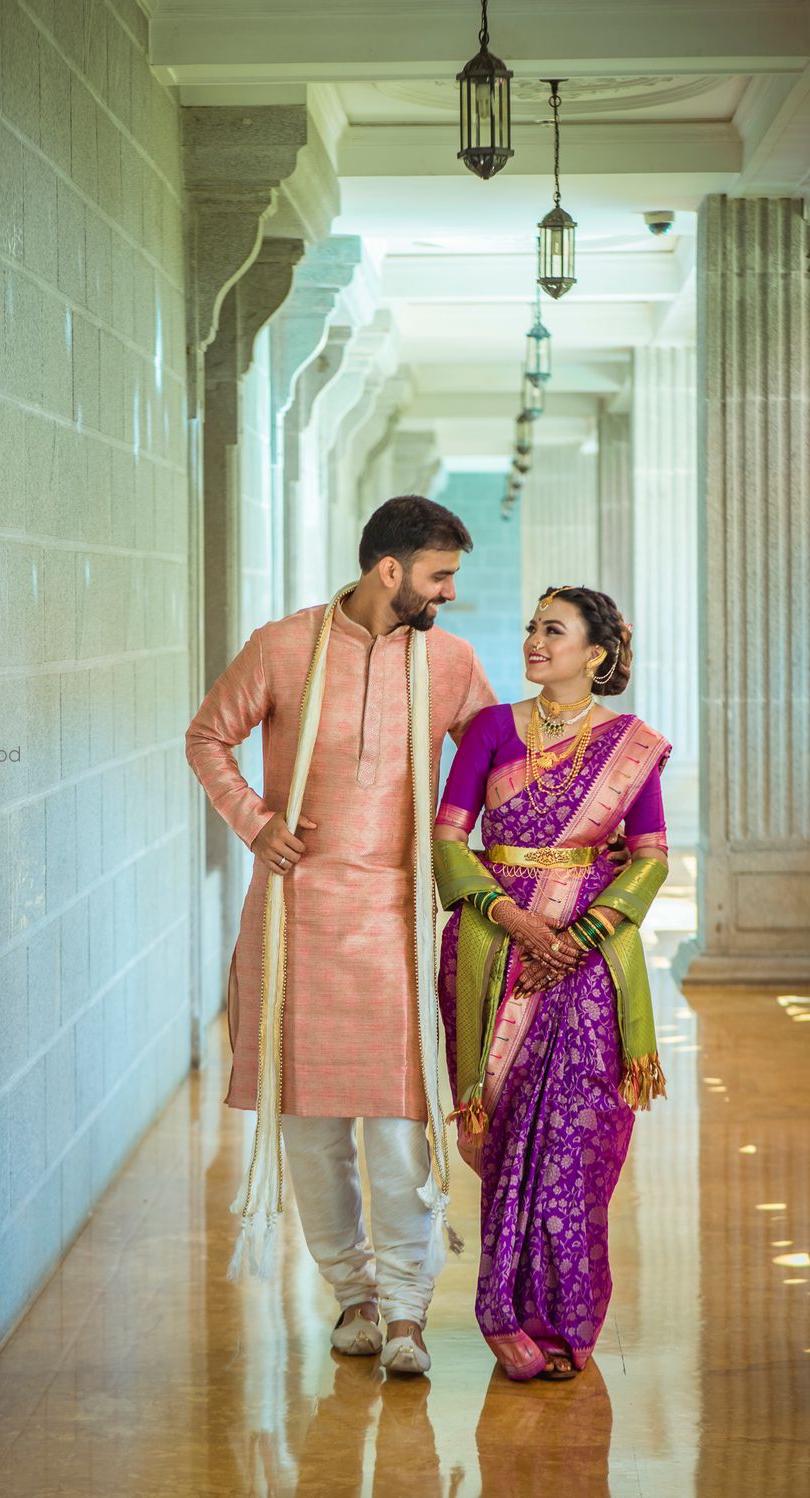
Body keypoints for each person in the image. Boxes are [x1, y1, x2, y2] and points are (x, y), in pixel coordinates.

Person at [185, 495, 497, 1376]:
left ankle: (406, 1310)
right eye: (439, 577)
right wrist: (254, 822)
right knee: (313, 1132)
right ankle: (352, 1296)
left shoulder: (451, 661)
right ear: (388, 571)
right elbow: (208, 736)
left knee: (401, 1130)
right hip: (297, 919)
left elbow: (495, 765)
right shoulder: (284, 647)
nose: (447, 595)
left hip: (396, 919)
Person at [433, 584, 671, 1382]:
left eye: (553, 630)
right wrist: (515, 918)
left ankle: (569, 1320)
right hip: (496, 949)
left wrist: (584, 935)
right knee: (507, 1138)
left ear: (595, 654)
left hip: (591, 961)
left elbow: (650, 856)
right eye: (532, 626)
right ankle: (500, 1313)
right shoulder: (492, 731)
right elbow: (448, 841)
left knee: (576, 1140)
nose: (534, 640)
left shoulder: (633, 745)